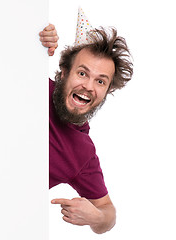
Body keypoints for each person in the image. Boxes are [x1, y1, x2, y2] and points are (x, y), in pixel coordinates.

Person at [39, 23, 133, 234]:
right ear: (64, 73)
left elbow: (108, 214)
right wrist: (36, 37)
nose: (89, 86)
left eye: (100, 81)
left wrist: (97, 217)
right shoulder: (34, 86)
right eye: (82, 74)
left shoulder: (82, 153)